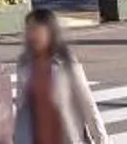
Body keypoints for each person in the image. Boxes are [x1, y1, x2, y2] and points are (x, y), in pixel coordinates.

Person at [12, 9, 109, 144]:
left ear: (50, 32)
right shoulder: (24, 65)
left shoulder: (66, 64)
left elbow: (88, 105)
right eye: (29, 30)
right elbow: (22, 108)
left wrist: (101, 140)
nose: (31, 35)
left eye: (36, 30)